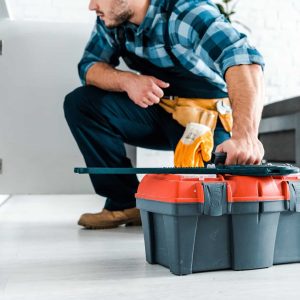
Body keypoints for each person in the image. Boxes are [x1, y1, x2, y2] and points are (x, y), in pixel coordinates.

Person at [64, 0, 265, 229]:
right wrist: (127, 80)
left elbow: (243, 60)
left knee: (217, 202)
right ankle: (125, 203)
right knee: (81, 103)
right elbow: (89, 65)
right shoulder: (112, 18)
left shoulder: (187, 12)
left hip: (206, 121)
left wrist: (244, 138)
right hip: (160, 110)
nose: (91, 6)